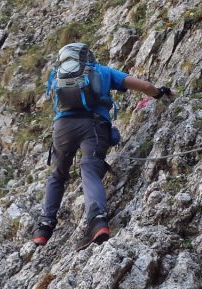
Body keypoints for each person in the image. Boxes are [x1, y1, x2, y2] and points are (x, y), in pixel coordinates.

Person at [32, 42, 172, 247]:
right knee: (89, 168)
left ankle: (43, 228)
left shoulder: (58, 74)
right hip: (95, 125)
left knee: (57, 175)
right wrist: (160, 94)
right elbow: (144, 86)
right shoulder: (101, 71)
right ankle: (98, 222)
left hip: (63, 127)